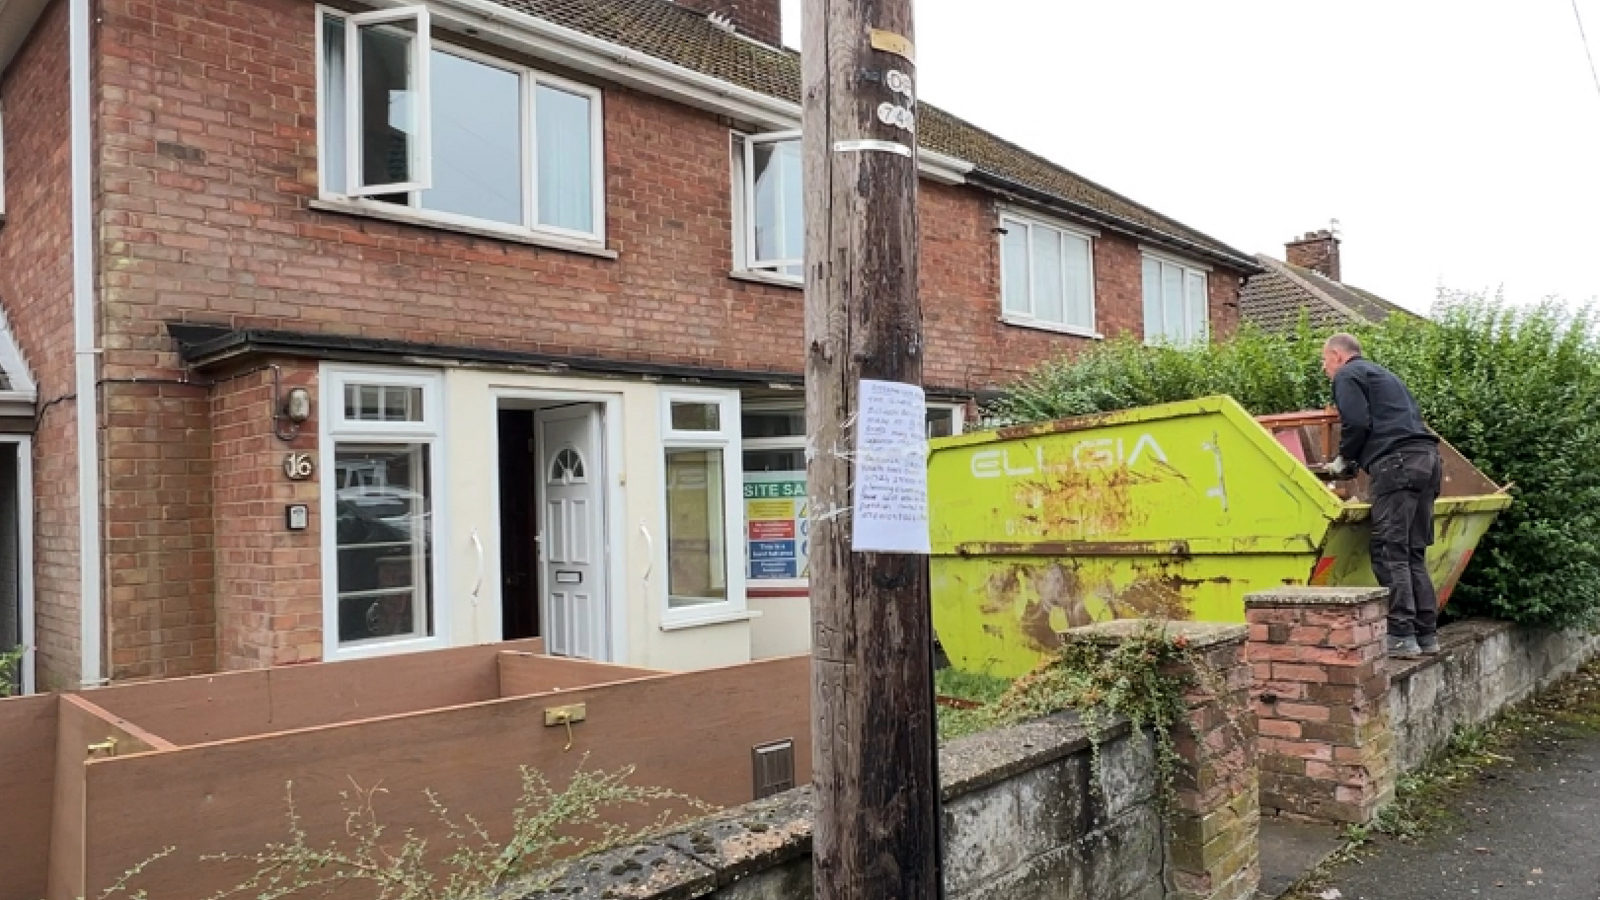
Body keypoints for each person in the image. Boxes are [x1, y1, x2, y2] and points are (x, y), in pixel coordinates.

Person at [1321, 333, 1443, 658]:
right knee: (1412, 552)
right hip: (1427, 461)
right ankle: (1426, 634)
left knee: (1390, 550)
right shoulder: (1384, 375)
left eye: (1324, 361)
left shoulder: (1348, 375)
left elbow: (1356, 422)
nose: (1324, 368)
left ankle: (1401, 635)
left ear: (1337, 355)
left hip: (1397, 463)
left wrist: (1344, 459)